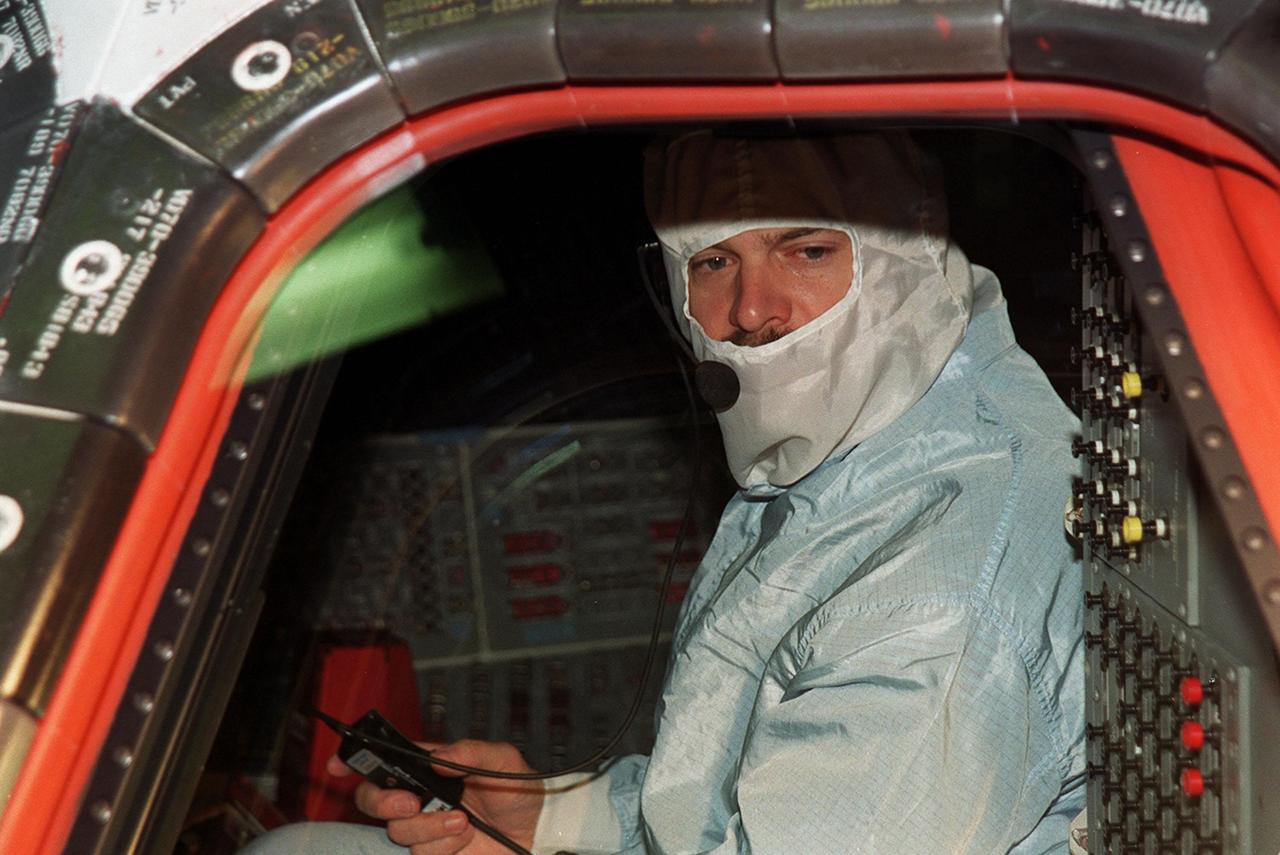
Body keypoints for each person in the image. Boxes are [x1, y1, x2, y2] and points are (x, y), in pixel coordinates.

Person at [244, 131, 1084, 854]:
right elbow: (763, 796)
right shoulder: (879, 442)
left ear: (907, 254)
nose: (753, 309)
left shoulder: (931, 606)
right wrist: (554, 814)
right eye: (715, 262)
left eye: (809, 250)